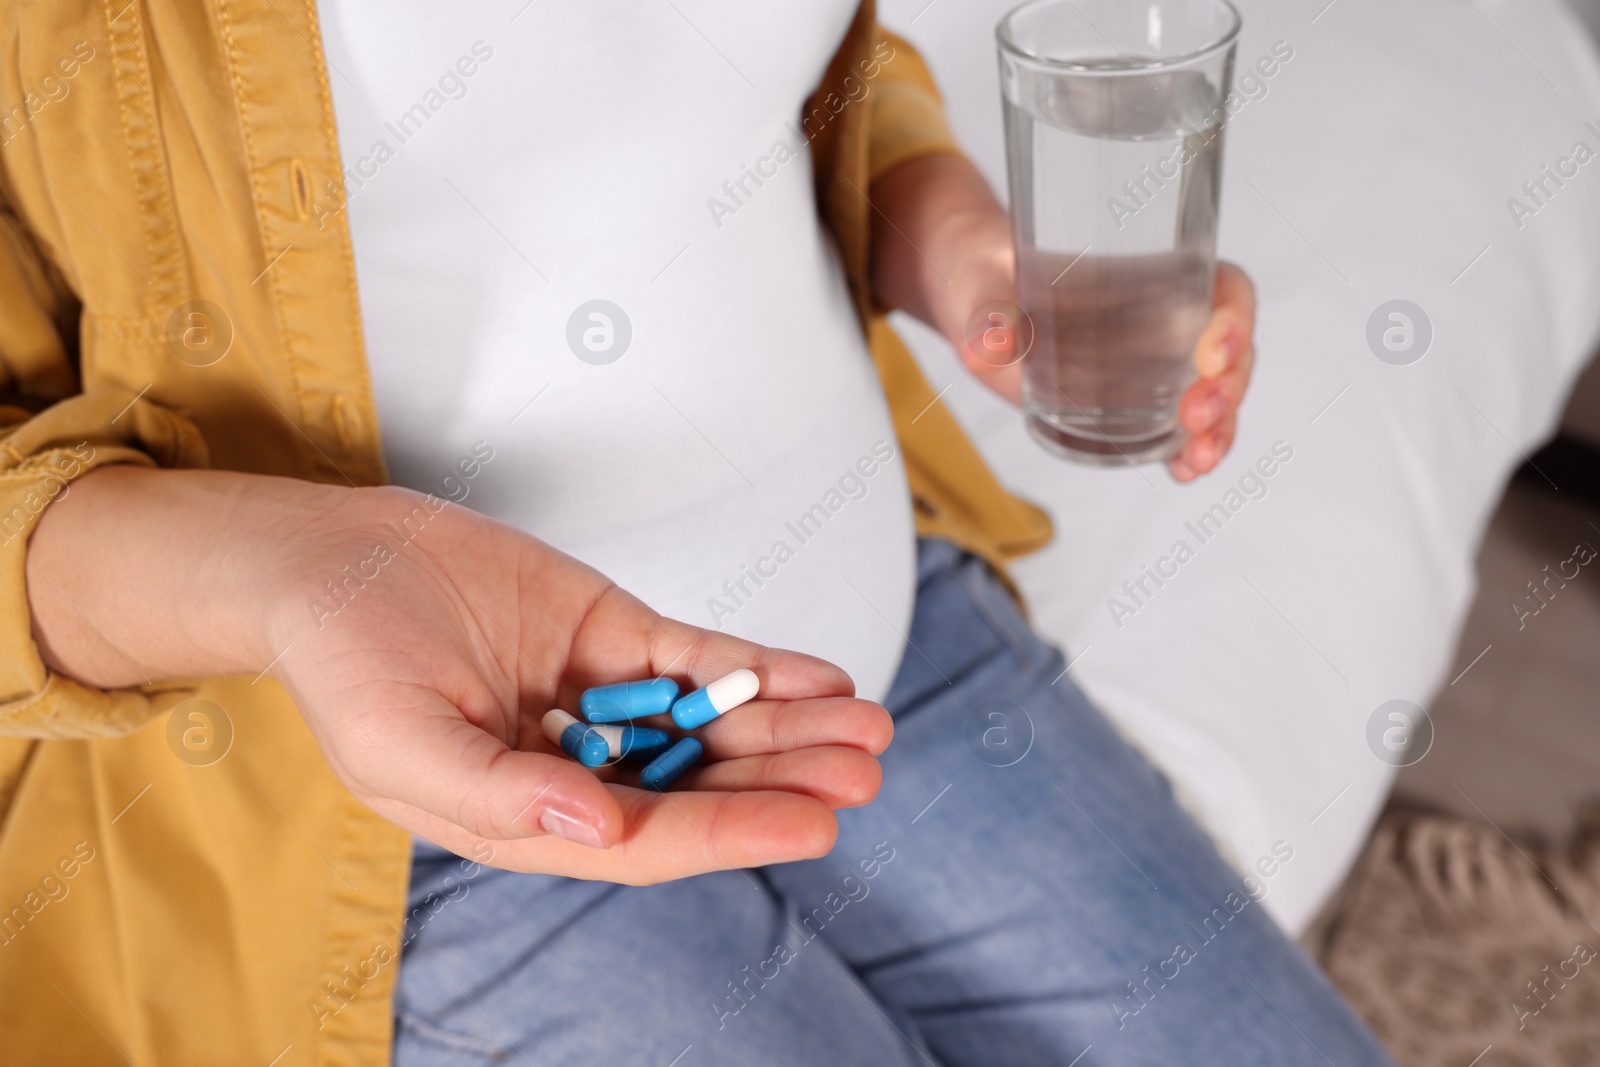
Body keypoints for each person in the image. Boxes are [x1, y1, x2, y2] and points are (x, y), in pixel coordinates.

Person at [0, 2, 1393, 1064]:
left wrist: (959, 245)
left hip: (870, 641)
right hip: (392, 814)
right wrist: (300, 577)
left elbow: (767, 77)